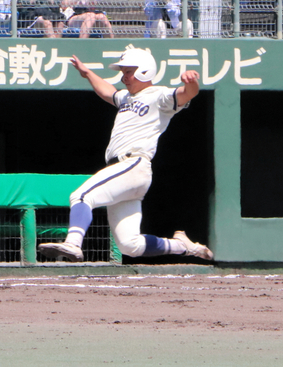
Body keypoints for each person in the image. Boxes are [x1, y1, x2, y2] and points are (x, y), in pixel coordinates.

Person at [38, 49, 213, 263]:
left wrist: (191, 82)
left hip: (133, 164)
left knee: (81, 196)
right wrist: (87, 73)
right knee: (131, 245)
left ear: (145, 72)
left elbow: (188, 93)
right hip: (126, 173)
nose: (124, 76)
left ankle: (73, 243)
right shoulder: (127, 97)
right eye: (124, 72)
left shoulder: (159, 95)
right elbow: (107, 92)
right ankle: (182, 246)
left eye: (129, 71)